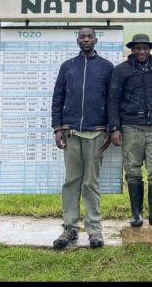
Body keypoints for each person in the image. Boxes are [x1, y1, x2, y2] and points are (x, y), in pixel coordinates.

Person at [51, 27, 114, 249]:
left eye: (90, 36)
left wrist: (111, 128)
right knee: (71, 182)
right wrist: (57, 128)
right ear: (77, 40)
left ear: (96, 40)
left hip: (96, 132)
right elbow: (57, 97)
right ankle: (70, 228)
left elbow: (112, 100)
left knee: (91, 183)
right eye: (82, 36)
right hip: (71, 133)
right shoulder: (67, 66)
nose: (86, 39)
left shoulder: (106, 67)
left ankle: (95, 230)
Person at [107, 34, 152, 230]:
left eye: (145, 48)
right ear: (132, 50)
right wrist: (115, 128)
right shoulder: (121, 70)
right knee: (133, 171)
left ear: (150, 49)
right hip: (131, 127)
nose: (141, 52)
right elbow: (113, 100)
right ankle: (136, 215)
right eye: (137, 48)